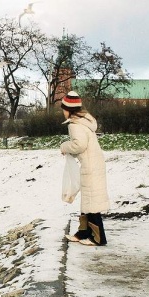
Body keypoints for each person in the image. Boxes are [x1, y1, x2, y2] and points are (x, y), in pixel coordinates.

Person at [60, 91, 109, 246]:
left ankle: (98, 238)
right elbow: (84, 146)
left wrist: (64, 147)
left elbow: (79, 145)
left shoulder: (75, 125)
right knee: (89, 199)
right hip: (94, 163)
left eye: (63, 108)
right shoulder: (83, 122)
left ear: (69, 109)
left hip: (91, 165)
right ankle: (83, 232)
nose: (62, 111)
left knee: (92, 201)